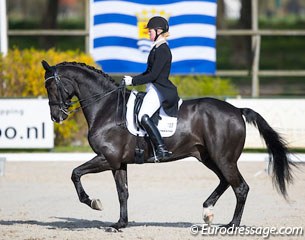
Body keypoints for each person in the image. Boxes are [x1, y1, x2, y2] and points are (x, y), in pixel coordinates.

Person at [123, 16, 180, 162]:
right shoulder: (156, 48)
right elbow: (148, 72)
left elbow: (154, 75)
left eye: (150, 31)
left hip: (159, 89)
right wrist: (131, 80)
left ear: (159, 31)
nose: (148, 34)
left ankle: (161, 149)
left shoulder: (163, 49)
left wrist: (134, 81)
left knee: (143, 115)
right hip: (153, 87)